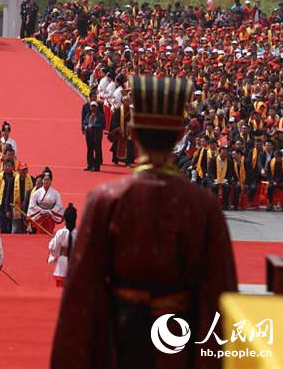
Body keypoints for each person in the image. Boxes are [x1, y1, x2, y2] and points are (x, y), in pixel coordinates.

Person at [51, 76, 237, 368]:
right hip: (178, 340)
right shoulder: (202, 206)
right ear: (179, 135)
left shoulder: (107, 200)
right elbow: (219, 296)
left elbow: (81, 292)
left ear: (133, 132)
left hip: (120, 338)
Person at [48, 203, 77, 287]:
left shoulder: (60, 233)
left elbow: (53, 247)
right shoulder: (78, 234)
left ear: (65, 219)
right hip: (73, 262)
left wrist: (53, 257)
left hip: (62, 261)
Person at [27, 170, 63, 235]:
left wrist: (50, 212)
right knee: (39, 233)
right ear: (42, 181)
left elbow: (58, 205)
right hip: (40, 216)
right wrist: (41, 211)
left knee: (49, 233)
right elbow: (32, 205)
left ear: (51, 181)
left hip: (50, 216)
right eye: (45, 180)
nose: (46, 182)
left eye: (48, 180)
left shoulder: (56, 193)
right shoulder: (37, 193)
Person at [83, 101, 105, 172]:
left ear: (97, 107)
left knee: (97, 151)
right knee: (90, 150)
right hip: (89, 135)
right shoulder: (88, 115)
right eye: (92, 106)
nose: (93, 108)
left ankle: (96, 167)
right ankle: (90, 165)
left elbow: (102, 125)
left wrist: (93, 127)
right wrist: (86, 127)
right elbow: (84, 123)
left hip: (96, 135)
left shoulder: (100, 116)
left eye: (94, 106)